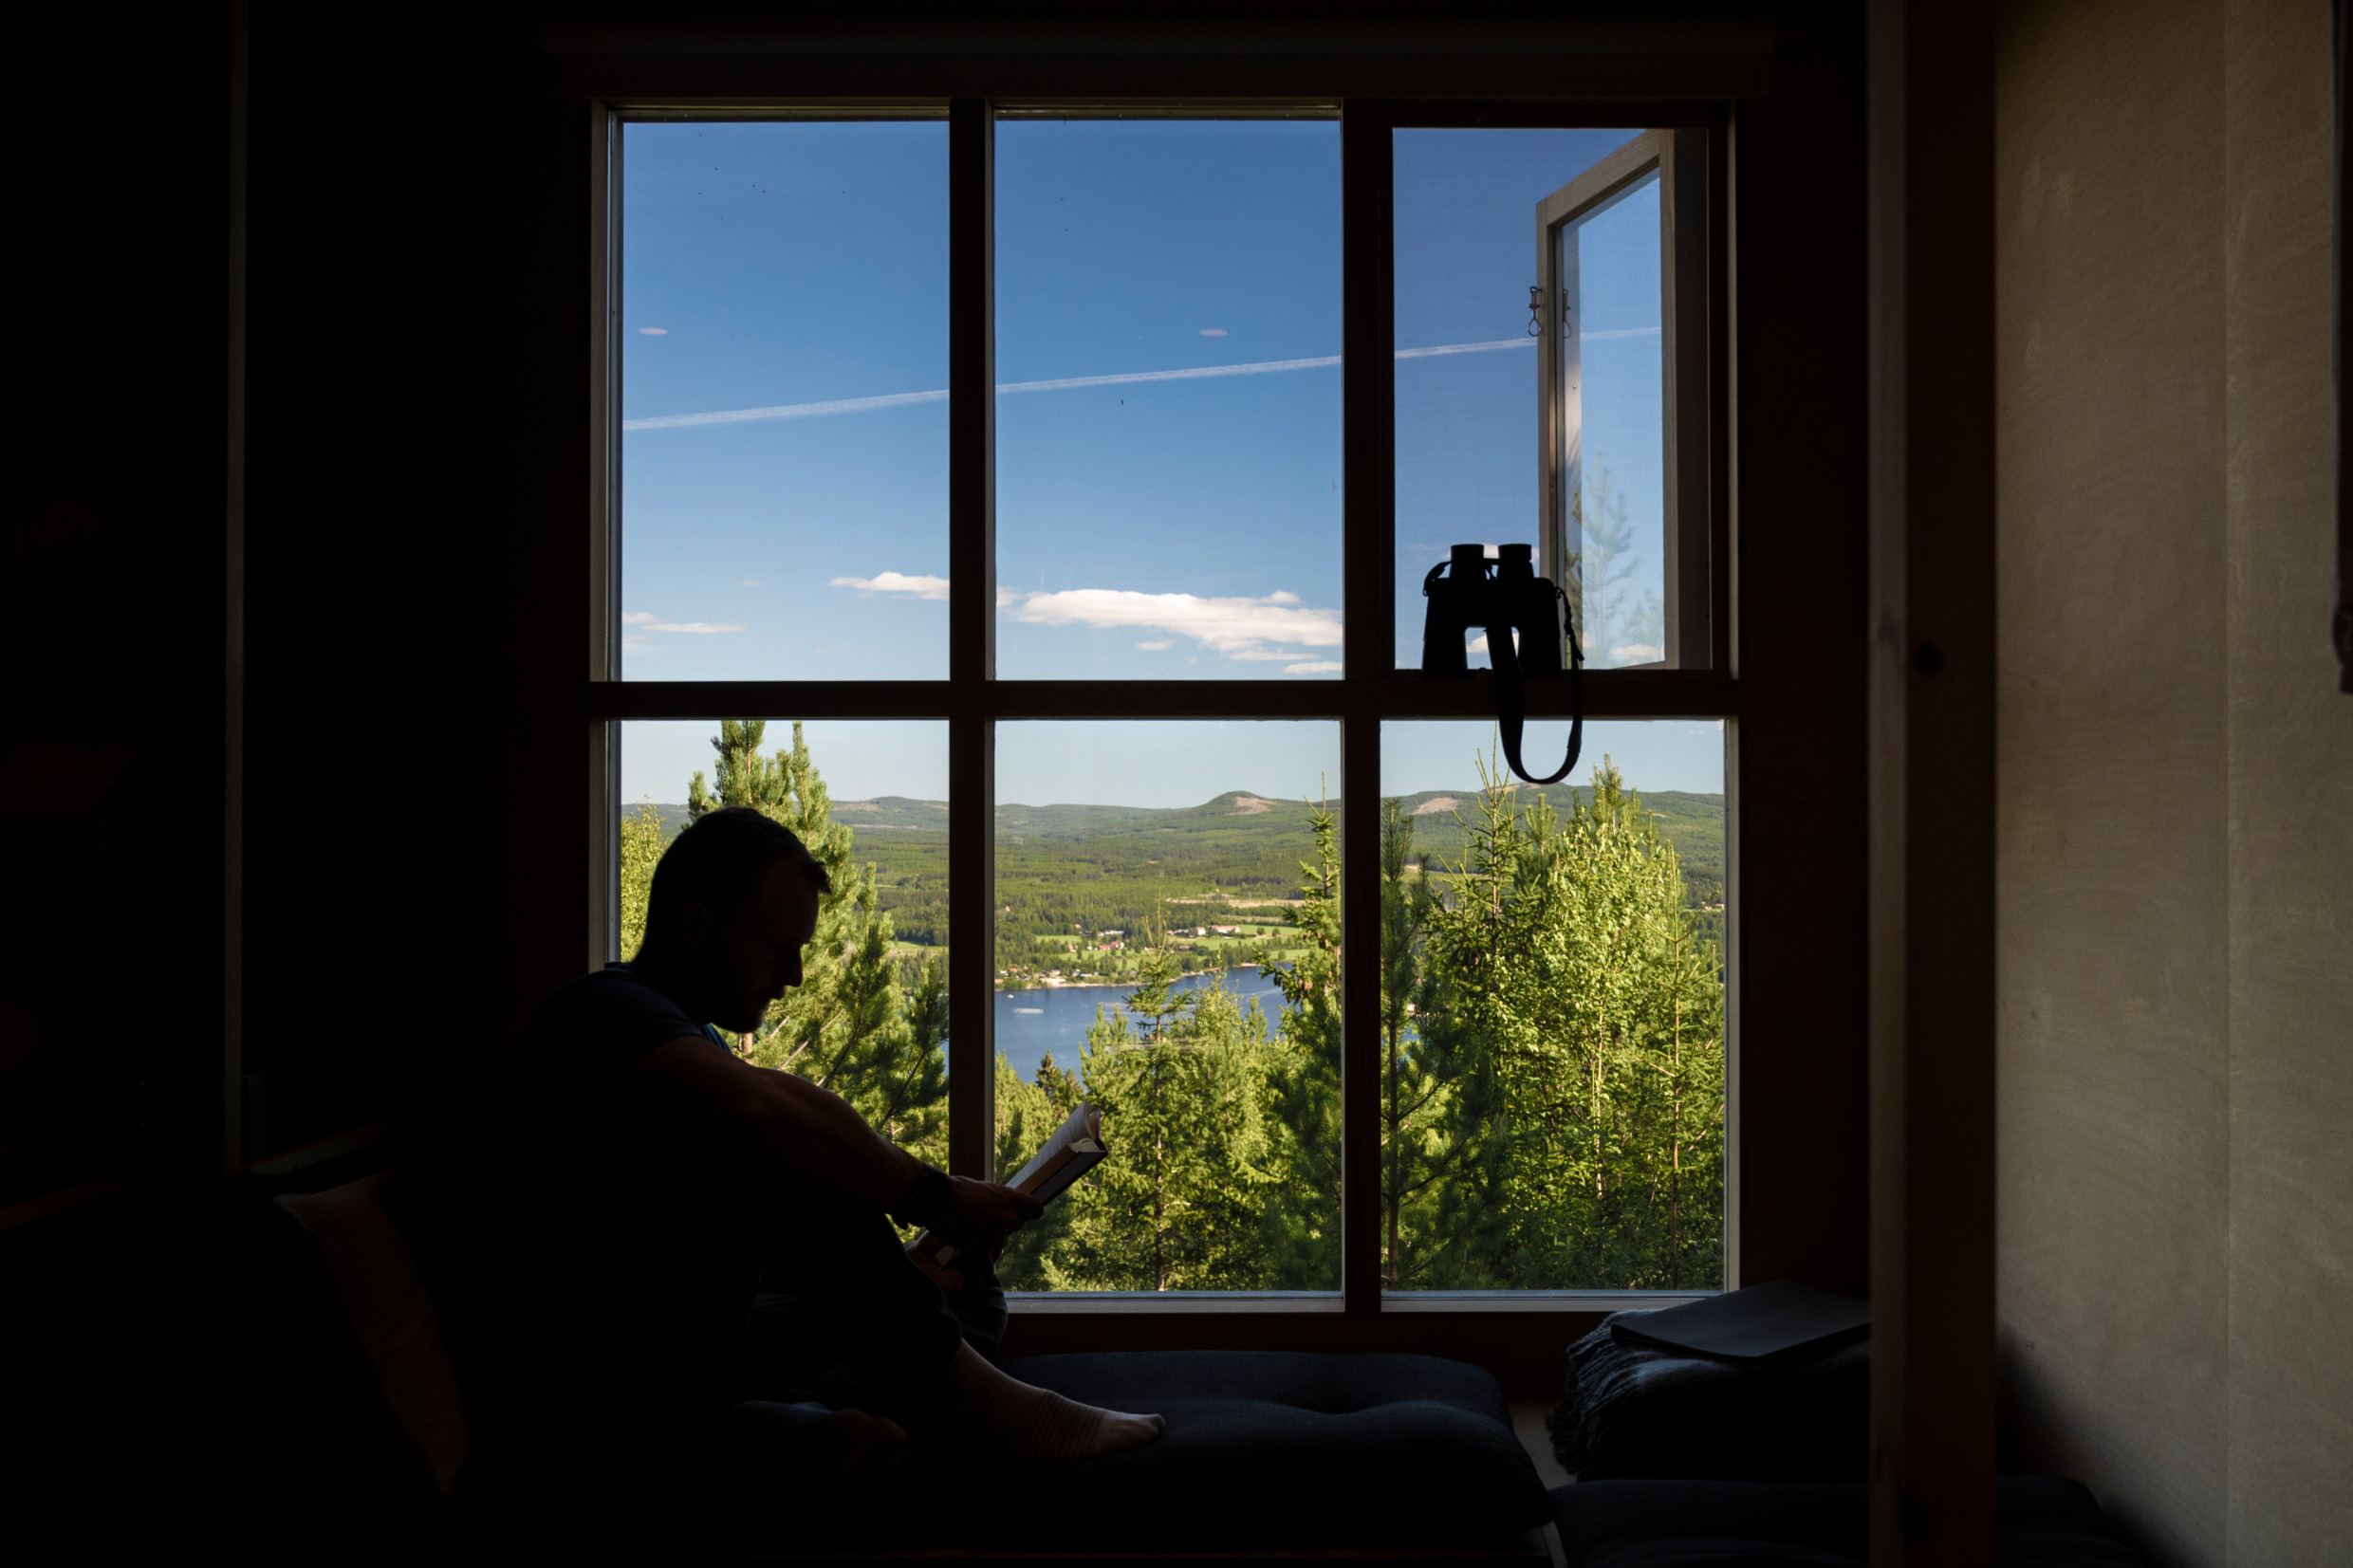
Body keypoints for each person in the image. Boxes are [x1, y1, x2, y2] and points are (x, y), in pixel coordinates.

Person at [421, 806, 1158, 1539]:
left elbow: (669, 1245)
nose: (798, 975)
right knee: (767, 1147)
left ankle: (805, 1422)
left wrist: (893, 1269)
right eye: (777, 946)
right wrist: (932, 1196)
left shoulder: (676, 1031)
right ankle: (940, 1408)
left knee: (966, 1290)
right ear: (692, 927)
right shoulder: (604, 1012)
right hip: (572, 1399)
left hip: (664, 1352)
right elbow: (767, 1112)